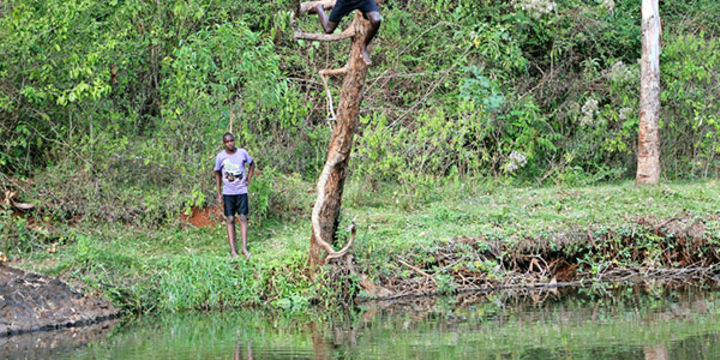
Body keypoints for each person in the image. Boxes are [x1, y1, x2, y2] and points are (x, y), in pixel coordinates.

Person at [214, 132, 255, 260]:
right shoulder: (221, 156)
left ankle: (244, 248)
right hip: (228, 192)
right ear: (224, 143)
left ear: (234, 141)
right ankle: (233, 251)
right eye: (227, 142)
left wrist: (248, 179)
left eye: (231, 140)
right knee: (230, 219)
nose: (229, 143)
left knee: (243, 217)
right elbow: (217, 174)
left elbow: (252, 164)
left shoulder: (242, 153)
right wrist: (219, 193)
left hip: (241, 191)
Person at [308, 0, 382, 65]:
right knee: (328, 29)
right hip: (346, 2)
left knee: (376, 20)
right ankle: (319, 8)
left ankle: (363, 47)